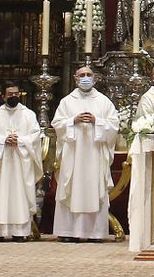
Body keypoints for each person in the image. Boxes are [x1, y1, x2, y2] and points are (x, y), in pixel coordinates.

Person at [50, 65, 119, 242]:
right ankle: (68, 232)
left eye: (89, 75)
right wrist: (73, 120)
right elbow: (57, 124)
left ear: (94, 78)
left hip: (95, 154)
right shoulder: (67, 101)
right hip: (73, 154)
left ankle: (95, 233)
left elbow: (114, 125)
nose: (86, 78)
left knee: (94, 188)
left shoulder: (104, 101)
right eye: (82, 75)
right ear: (75, 79)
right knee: (71, 188)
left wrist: (97, 121)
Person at [0, 84, 43, 241]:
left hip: (20, 163)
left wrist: (21, 141)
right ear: (3, 96)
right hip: (0, 163)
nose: (13, 96)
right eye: (10, 94)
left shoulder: (28, 115)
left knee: (19, 195)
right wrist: (3, 140)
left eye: (16, 93)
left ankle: (20, 232)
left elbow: (35, 136)